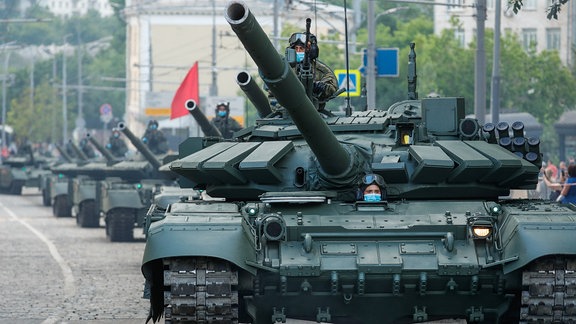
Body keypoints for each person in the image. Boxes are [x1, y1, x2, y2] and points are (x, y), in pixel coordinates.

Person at [287, 31, 338, 110]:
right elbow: (273, 93)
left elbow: (332, 88)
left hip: (314, 113)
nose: (298, 51)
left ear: (310, 51)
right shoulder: (285, 69)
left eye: (301, 48)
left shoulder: (321, 70)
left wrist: (321, 87)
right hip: (288, 112)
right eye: (296, 48)